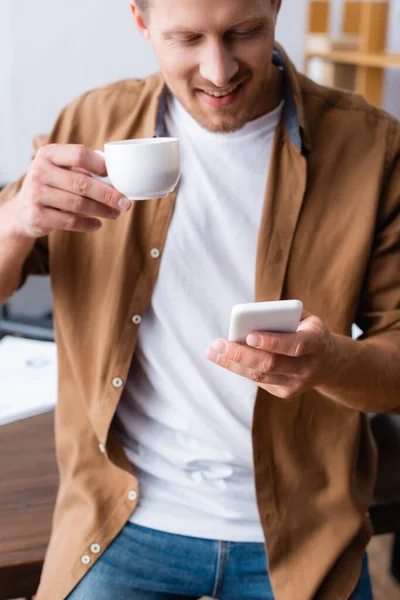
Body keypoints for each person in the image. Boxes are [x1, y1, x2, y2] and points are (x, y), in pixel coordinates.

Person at [0, 0, 399, 598]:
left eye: (245, 33)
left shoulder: (370, 146)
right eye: (187, 38)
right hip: (116, 530)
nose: (219, 70)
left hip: (303, 539)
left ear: (276, 7)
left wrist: (330, 363)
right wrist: (14, 223)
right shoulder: (87, 124)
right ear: (140, 20)